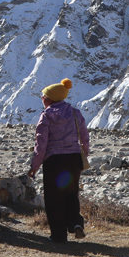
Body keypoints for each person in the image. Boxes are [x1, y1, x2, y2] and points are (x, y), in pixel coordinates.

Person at [28, 78, 89, 243]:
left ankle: (58, 236)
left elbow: (41, 144)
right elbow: (84, 135)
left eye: (44, 96)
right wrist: (85, 152)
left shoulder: (46, 116)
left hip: (54, 161)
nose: (42, 98)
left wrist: (35, 166)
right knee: (71, 193)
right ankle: (76, 223)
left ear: (50, 99)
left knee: (54, 198)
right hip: (74, 159)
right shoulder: (76, 113)